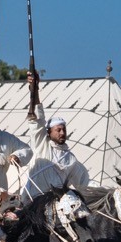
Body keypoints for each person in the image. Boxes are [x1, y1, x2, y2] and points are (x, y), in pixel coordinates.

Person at [23, 71, 89, 202]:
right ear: (49, 132)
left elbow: (84, 183)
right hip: (33, 202)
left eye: (64, 129)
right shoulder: (41, 144)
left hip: (55, 205)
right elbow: (38, 119)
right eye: (58, 130)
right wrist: (35, 89)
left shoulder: (70, 159)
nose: (62, 133)